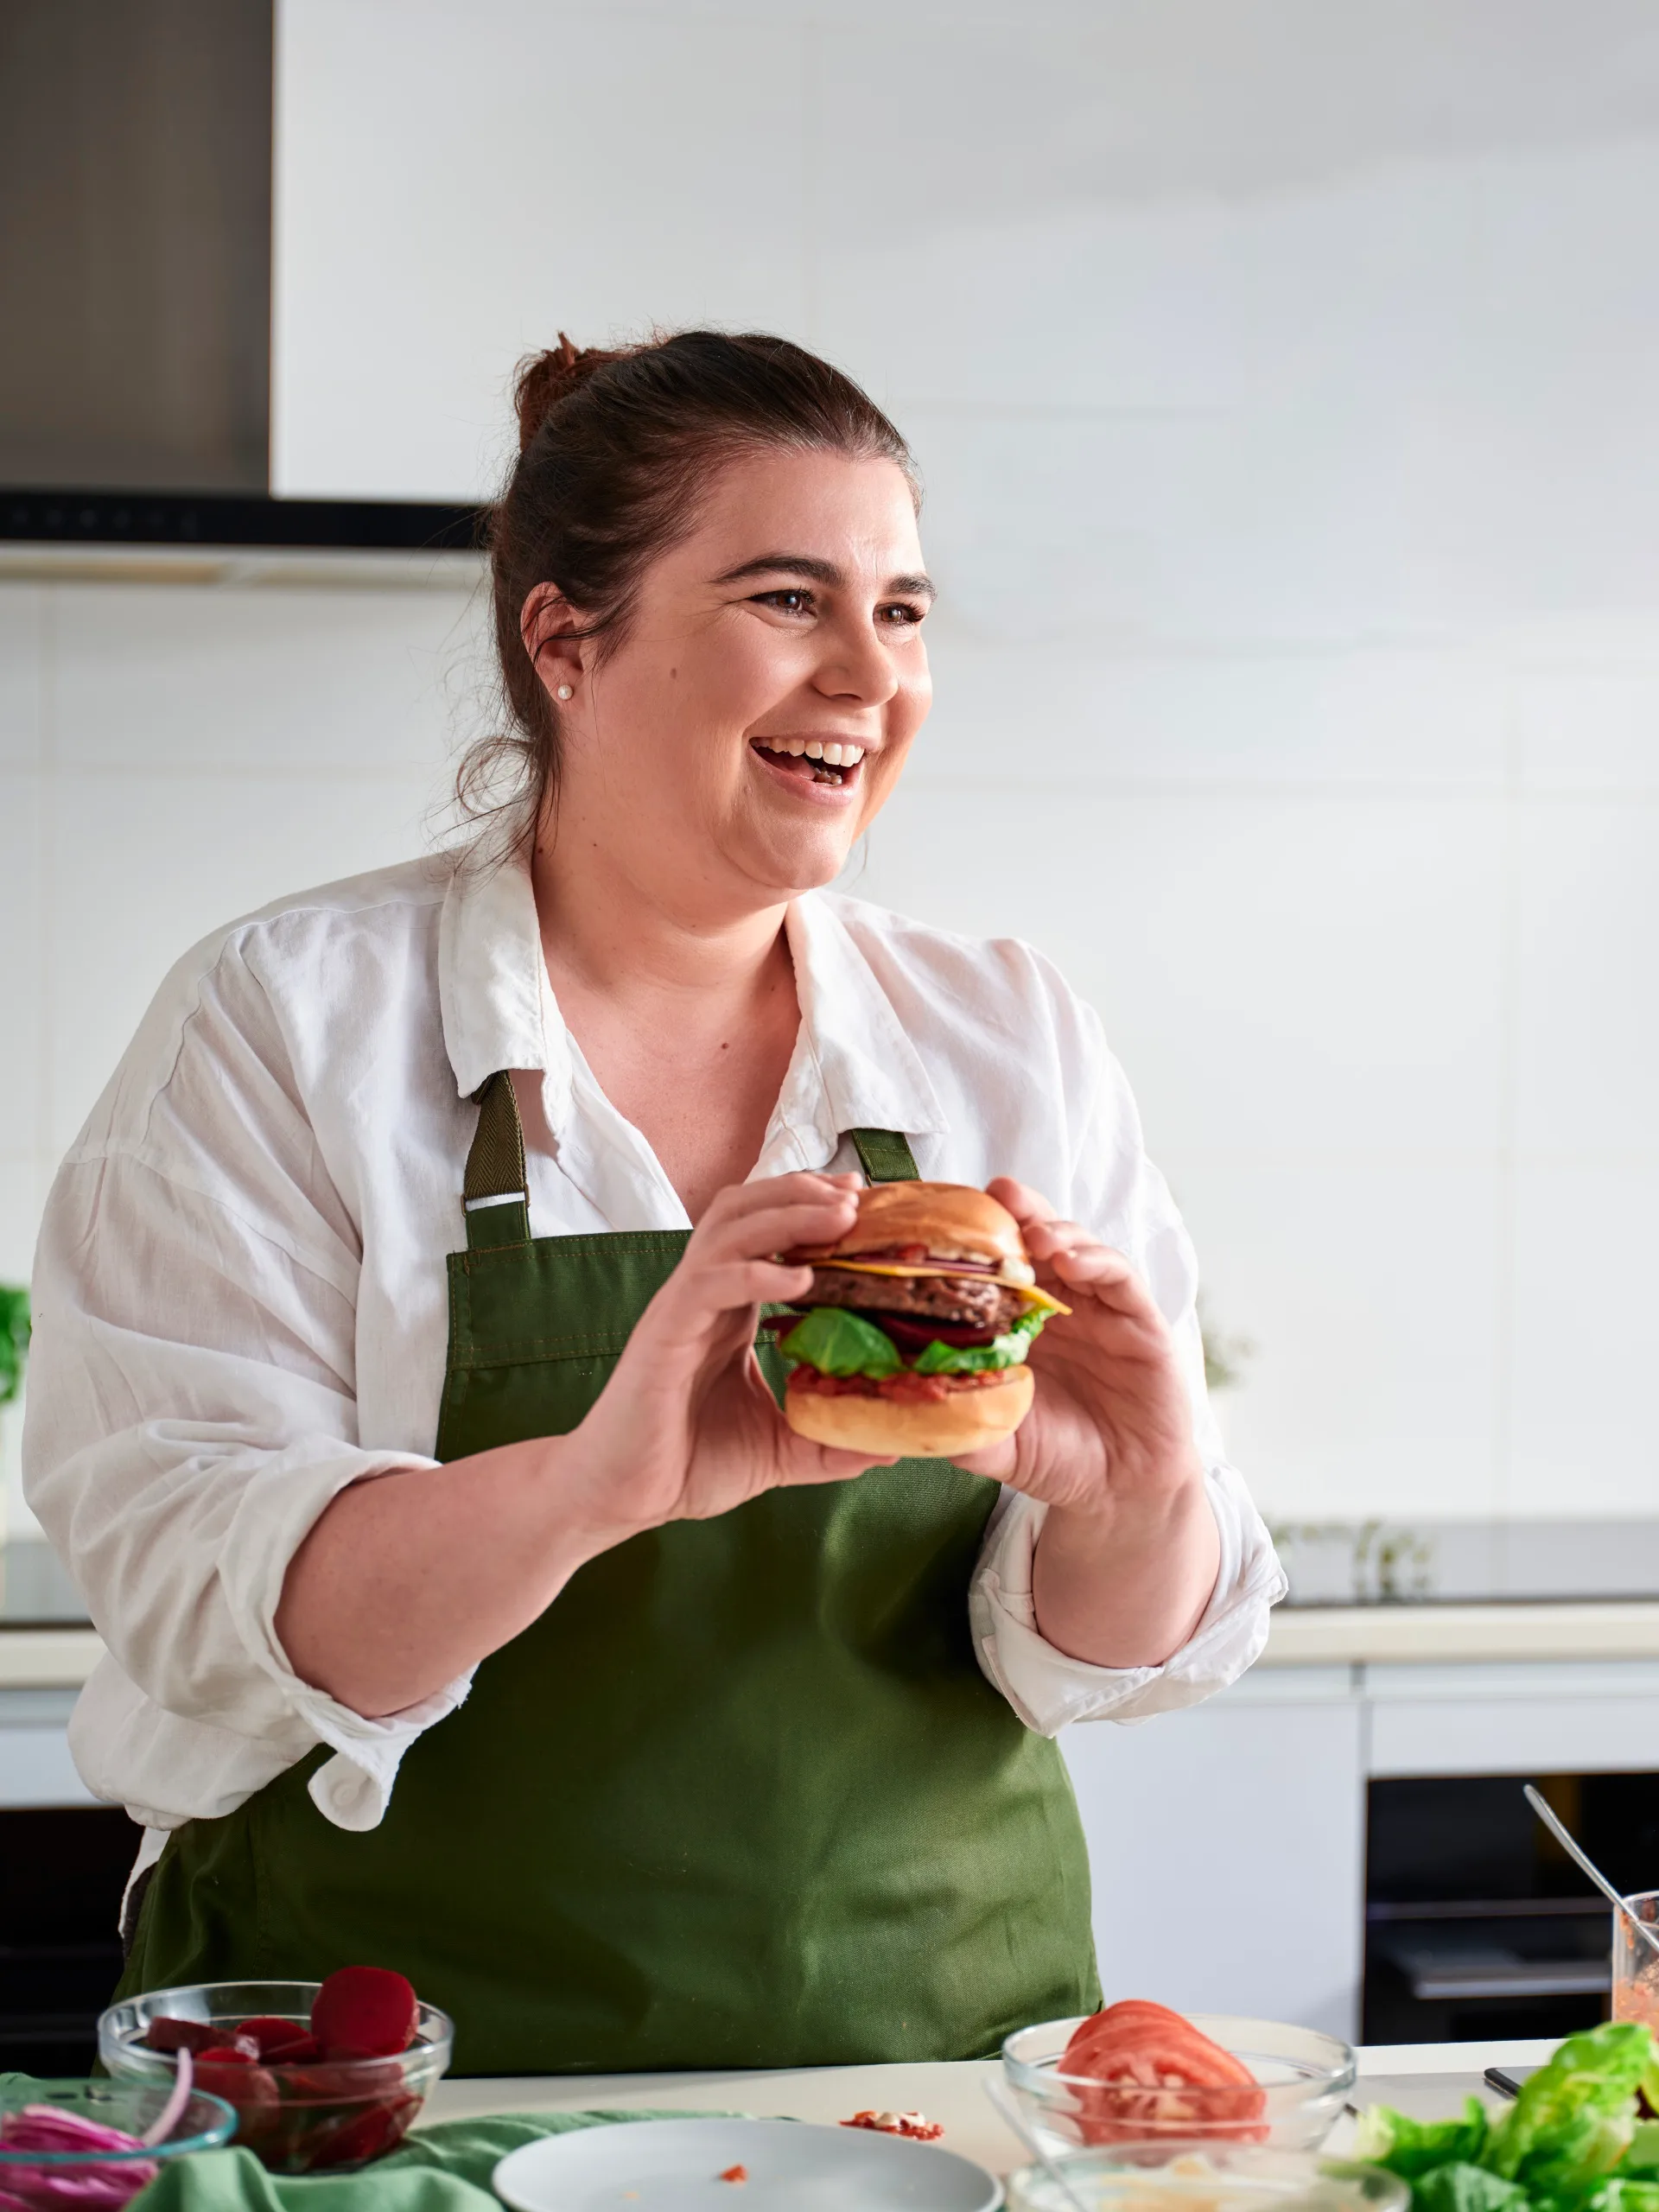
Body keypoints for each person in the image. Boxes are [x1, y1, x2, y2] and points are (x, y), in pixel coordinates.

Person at [25, 330, 1283, 2075]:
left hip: (923, 2087)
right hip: (390, 2100)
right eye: (790, 598)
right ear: (564, 641)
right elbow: (193, 1590)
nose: (870, 672)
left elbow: (1103, 1651)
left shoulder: (1002, 1030)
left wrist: (1142, 1488)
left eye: (904, 611)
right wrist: (596, 1481)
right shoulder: (291, 1018)